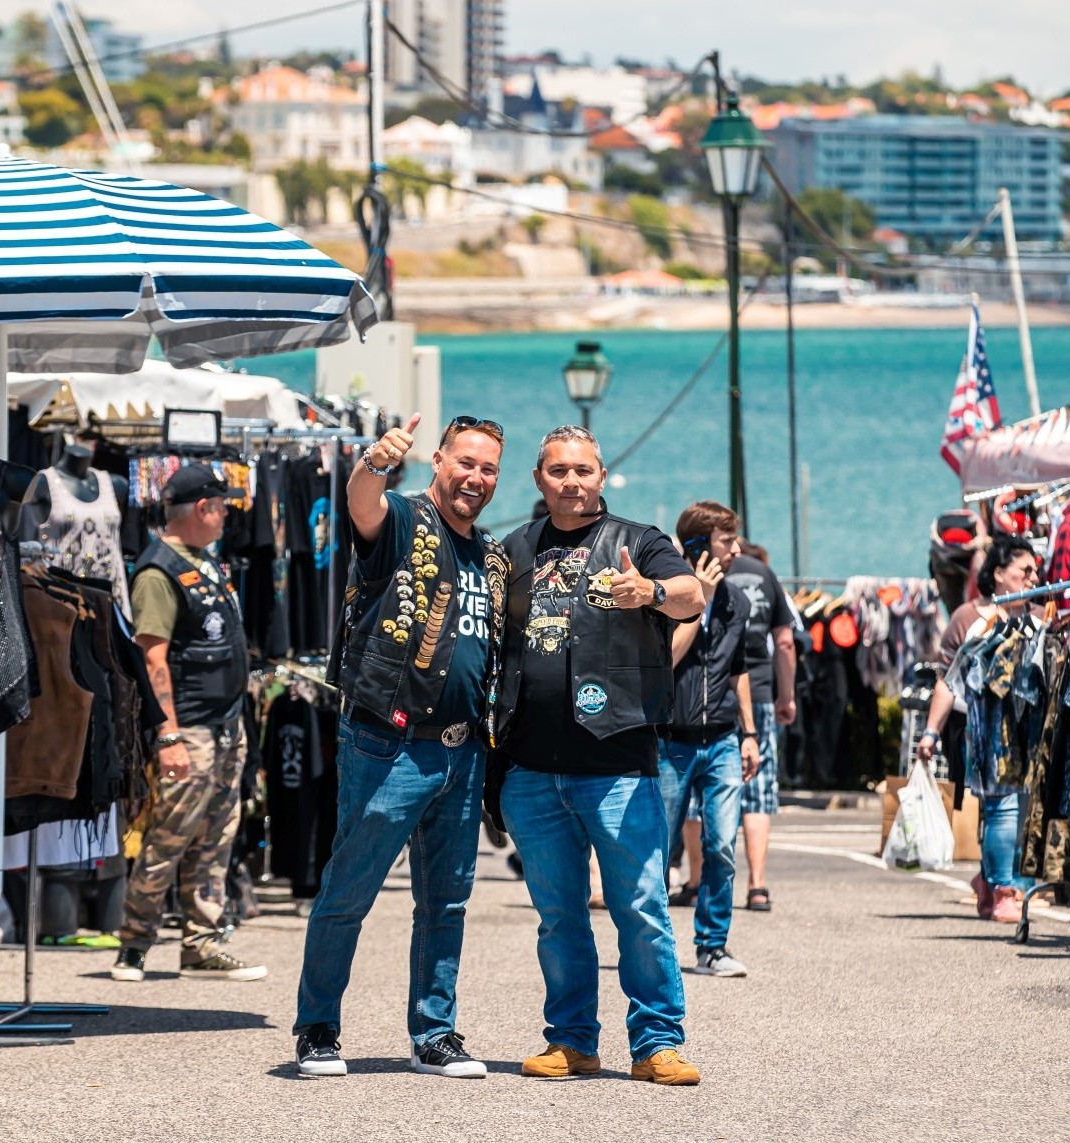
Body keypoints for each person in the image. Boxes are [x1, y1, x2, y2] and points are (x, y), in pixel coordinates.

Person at [294, 413, 508, 1080]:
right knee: (348, 889)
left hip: (462, 749)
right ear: (439, 460)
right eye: (464, 461)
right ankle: (318, 1029)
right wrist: (374, 461)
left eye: (487, 468)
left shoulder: (491, 555)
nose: (474, 476)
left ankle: (434, 1032)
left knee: (445, 902)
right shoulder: (402, 524)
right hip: (389, 741)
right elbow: (362, 503)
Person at [492, 425, 707, 1086]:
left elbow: (693, 594)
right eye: (558, 470)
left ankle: (656, 1043)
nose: (572, 481)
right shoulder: (513, 550)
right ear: (538, 480)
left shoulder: (638, 541)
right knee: (559, 919)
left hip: (616, 763)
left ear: (602, 474)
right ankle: (572, 1040)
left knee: (640, 909)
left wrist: (650, 593)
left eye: (583, 469)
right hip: (529, 768)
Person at [111, 465, 266, 983]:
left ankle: (202, 941)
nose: (226, 516)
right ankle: (134, 944)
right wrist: (169, 735)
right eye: (222, 506)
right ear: (203, 508)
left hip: (225, 726)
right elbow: (152, 661)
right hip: (191, 730)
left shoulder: (205, 562)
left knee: (217, 837)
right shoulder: (158, 573)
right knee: (169, 837)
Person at [914, 535, 1040, 924]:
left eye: (1036, 571)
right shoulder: (970, 618)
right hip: (985, 728)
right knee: (1002, 806)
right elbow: (948, 681)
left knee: (1006, 810)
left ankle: (988, 883)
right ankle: (1003, 889)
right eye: (1025, 571)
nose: (1034, 578)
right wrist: (931, 733)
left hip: (1028, 729)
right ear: (999, 574)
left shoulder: (1038, 616)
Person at [657, 501, 760, 978]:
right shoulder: (668, 598)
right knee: (656, 851)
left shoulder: (739, 602)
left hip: (721, 738)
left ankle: (712, 947)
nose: (736, 549)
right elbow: (666, 661)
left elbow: (738, 670)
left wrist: (750, 733)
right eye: (726, 541)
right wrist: (697, 600)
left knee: (721, 846)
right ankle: (652, 949)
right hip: (671, 742)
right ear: (698, 547)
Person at [721, 540, 796, 911]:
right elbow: (784, 642)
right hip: (762, 692)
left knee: (704, 791)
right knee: (759, 791)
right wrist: (787, 696)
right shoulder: (766, 574)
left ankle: (697, 879)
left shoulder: (702, 571)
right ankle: (757, 885)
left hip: (713, 694)